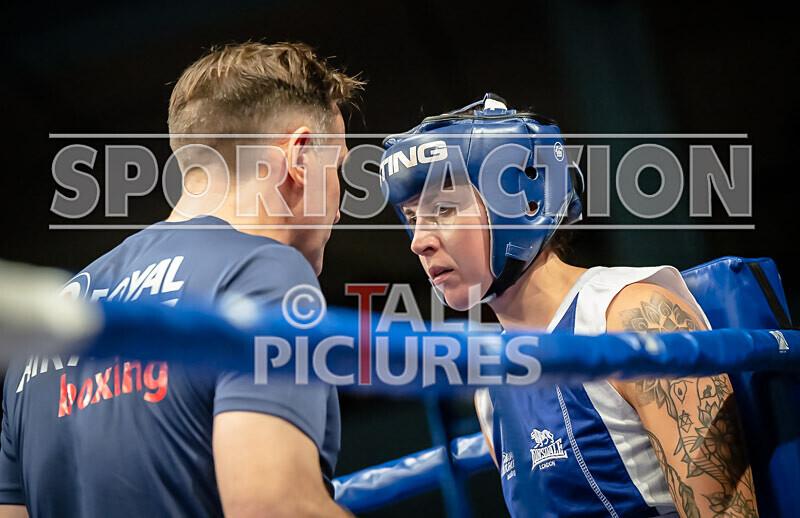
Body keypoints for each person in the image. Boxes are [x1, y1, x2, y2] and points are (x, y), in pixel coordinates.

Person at [0, 42, 362, 517]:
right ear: (300, 156)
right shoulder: (264, 272)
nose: (340, 204)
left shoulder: (52, 323)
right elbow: (274, 507)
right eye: (337, 167)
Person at [379, 94, 758, 517]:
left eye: (444, 209)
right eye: (412, 218)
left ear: (523, 203)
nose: (419, 242)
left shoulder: (635, 319)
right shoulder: (490, 388)